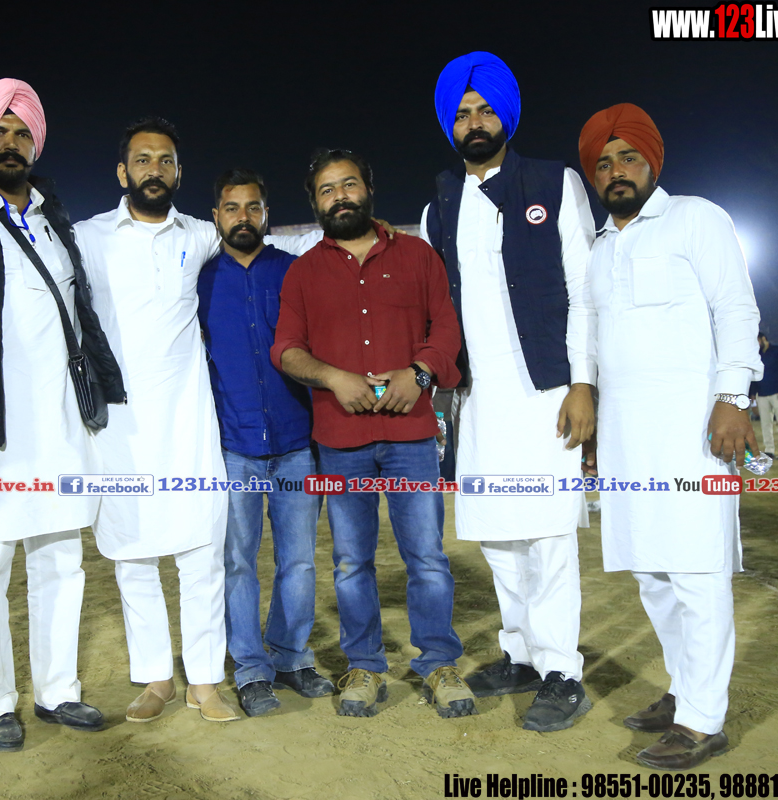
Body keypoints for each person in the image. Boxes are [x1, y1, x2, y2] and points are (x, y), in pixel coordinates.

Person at [74, 117, 324, 724]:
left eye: (165, 160)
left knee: (203, 554)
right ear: (122, 172)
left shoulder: (200, 235)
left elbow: (262, 244)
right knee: (133, 557)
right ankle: (156, 677)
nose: (154, 169)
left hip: (191, 426)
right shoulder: (87, 237)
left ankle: (206, 682)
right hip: (119, 430)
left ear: (179, 173)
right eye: (142, 159)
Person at [0, 79, 124, 751]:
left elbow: (81, 317)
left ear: (36, 143)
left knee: (62, 561)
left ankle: (58, 690)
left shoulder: (55, 219)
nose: (11, 144)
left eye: (22, 133)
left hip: (61, 426)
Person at [579, 103, 762, 770]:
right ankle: (686, 688)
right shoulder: (599, 249)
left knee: (696, 571)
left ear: (652, 162)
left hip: (694, 434)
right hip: (628, 440)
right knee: (652, 573)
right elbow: (595, 343)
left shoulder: (697, 218)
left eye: (627, 157)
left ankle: (702, 721)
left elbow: (736, 308)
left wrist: (731, 398)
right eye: (603, 163)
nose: (616, 171)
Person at [422, 52, 596, 732]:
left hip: (547, 390)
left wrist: (582, 383)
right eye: (463, 113)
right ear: (450, 125)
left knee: (548, 535)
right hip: (481, 398)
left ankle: (561, 671)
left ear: (507, 117)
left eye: (486, 110)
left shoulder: (555, 183)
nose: (474, 123)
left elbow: (584, 289)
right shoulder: (440, 203)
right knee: (498, 535)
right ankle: (520, 654)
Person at [273, 148, 473, 719]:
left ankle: (438, 662)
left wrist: (420, 372)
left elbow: (447, 327)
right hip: (340, 440)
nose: (339, 196)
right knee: (351, 562)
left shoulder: (418, 256)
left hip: (411, 436)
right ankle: (364, 664)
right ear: (314, 203)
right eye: (326, 189)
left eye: (348, 184)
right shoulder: (303, 272)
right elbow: (286, 349)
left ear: (368, 188)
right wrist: (334, 378)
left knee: (427, 557)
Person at [197, 168, 332, 717]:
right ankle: (251, 669)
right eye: (232, 208)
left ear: (266, 214)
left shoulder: (293, 271)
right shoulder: (201, 279)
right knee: (238, 563)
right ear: (216, 217)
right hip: (233, 448)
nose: (243, 217)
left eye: (253, 207)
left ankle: (291, 656)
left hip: (297, 442)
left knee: (299, 562)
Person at [753, 332, 778, 459]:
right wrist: (753, 396)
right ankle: (769, 449)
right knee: (765, 423)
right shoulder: (755, 355)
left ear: (763, 339)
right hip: (762, 393)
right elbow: (753, 376)